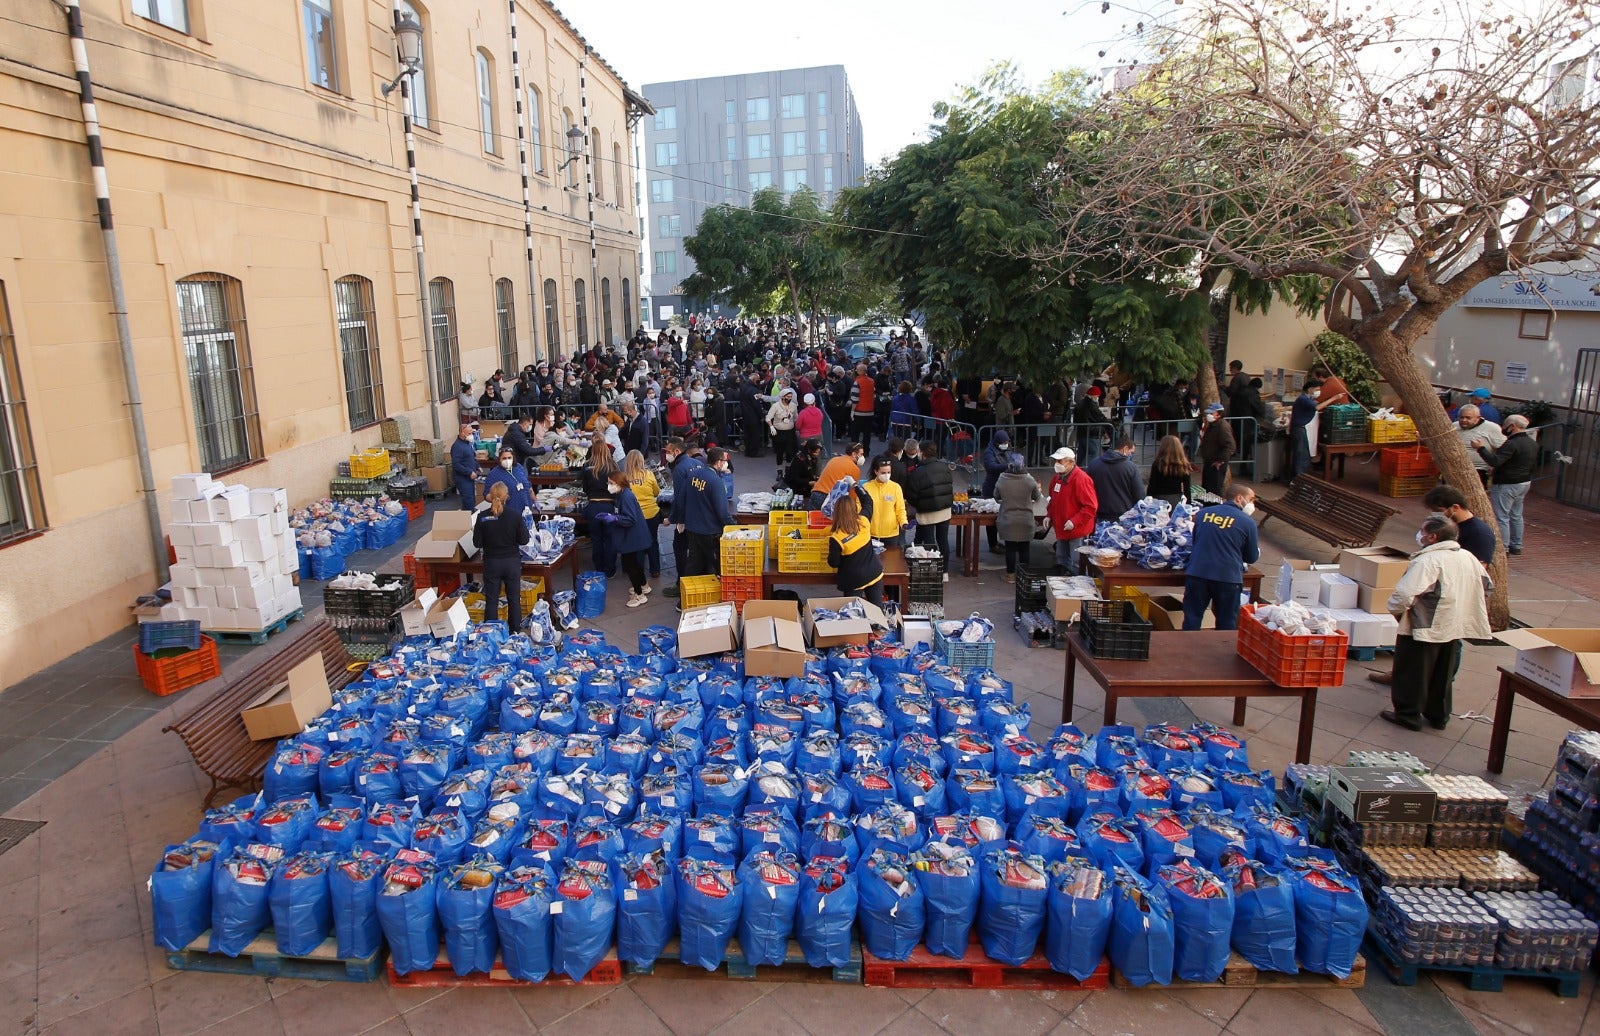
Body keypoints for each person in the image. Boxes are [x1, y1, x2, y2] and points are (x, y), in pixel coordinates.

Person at [1381, 514, 1492, 732]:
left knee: (1414, 671)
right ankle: (1438, 715)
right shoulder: (1468, 556)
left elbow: (1404, 594)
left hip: (1425, 624)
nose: (1419, 535)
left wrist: (1395, 611)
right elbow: (1486, 583)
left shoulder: (1428, 561)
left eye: (1422, 532)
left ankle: (1408, 714)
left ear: (1432, 537)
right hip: (1454, 623)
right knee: (1443, 672)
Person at [1182, 483, 1259, 630]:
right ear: (1239, 498)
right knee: (1226, 623)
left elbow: (1196, 540)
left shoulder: (1203, 514)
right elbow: (1251, 557)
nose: (1252, 504)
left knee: (1192, 620)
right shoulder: (1248, 522)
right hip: (1227, 577)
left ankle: (1186, 650)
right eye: (1251, 499)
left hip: (1198, 573)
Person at [1474, 412, 1536, 555]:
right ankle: (1516, 544)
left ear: (1512, 426)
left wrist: (1480, 448)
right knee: (1516, 514)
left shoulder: (1512, 444)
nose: (1503, 428)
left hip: (1507, 483)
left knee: (1502, 516)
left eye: (1505, 425)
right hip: (1524, 482)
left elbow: (1495, 461)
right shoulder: (1531, 443)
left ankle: (1504, 547)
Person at [473, 481, 530, 632]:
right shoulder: (515, 516)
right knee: (514, 599)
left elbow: (477, 543)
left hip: (491, 563)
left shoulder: (482, 517)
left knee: (491, 599)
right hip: (511, 562)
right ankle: (515, 631)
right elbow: (524, 540)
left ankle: (491, 632)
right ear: (507, 497)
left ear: (490, 496)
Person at [597, 467, 654, 608]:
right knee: (635, 563)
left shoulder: (626, 496)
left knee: (630, 565)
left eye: (611, 483)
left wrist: (614, 518)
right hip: (634, 536)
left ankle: (639, 594)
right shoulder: (623, 494)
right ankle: (643, 585)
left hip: (632, 537)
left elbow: (630, 518)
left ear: (619, 483)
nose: (608, 486)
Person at [672, 443, 730, 578]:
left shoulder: (693, 475)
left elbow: (681, 498)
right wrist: (734, 526)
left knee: (693, 566)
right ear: (719, 462)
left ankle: (685, 597)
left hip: (693, 529)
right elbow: (722, 513)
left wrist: (680, 519)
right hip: (710, 532)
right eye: (726, 461)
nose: (727, 464)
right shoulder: (715, 481)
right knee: (718, 566)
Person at [905, 439, 954, 578]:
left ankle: (932, 572)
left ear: (922, 453)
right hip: (945, 511)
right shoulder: (945, 467)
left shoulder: (918, 472)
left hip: (927, 512)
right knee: (943, 540)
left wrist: (918, 505)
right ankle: (944, 572)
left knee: (930, 541)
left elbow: (911, 494)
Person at [827, 489, 885, 607]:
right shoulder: (863, 522)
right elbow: (868, 501)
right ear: (854, 509)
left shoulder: (836, 537)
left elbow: (834, 563)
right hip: (874, 573)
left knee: (853, 615)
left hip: (854, 580)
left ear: (836, 512)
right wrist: (856, 486)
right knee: (877, 611)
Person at [1046, 447, 1097, 575]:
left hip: (1077, 530)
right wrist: (1049, 515)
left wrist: (1074, 522)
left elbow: (1091, 507)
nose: (1057, 464)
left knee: (1076, 562)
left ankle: (1079, 589)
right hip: (1062, 528)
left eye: (1060, 461)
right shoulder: (1057, 478)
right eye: (1056, 461)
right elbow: (1053, 499)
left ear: (1071, 462)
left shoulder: (1081, 479)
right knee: (1062, 559)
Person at [995, 453, 1042, 583]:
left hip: (1008, 520)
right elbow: (1037, 497)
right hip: (1025, 520)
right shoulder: (1029, 480)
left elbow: (996, 497)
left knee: (1009, 548)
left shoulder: (1002, 478)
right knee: (1024, 548)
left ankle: (1010, 576)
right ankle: (1024, 576)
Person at [1422, 484, 1496, 565]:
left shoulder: (1479, 533)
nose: (1435, 513)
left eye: (1438, 510)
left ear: (1455, 507)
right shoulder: (1448, 526)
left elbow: (1478, 568)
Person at [580, 442, 621, 577]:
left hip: (593, 506)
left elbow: (585, 488)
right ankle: (610, 570)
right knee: (609, 539)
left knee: (596, 539)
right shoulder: (613, 466)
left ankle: (599, 568)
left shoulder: (587, 466)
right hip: (609, 505)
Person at [622, 449, 663, 579]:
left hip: (634, 515)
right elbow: (656, 492)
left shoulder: (624, 477)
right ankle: (655, 569)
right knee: (653, 541)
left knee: (638, 543)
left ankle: (639, 571)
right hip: (652, 512)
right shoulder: (649, 474)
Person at [1086, 435, 1145, 522]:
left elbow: (1087, 490)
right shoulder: (1131, 468)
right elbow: (1139, 495)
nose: (1131, 455)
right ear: (1125, 449)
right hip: (1123, 516)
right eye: (1131, 452)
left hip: (1098, 514)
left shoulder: (1094, 464)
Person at [861, 455, 910, 546]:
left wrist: (904, 523)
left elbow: (900, 510)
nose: (886, 475)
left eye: (889, 472)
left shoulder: (895, 487)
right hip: (870, 534)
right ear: (876, 471)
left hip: (891, 535)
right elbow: (860, 509)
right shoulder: (866, 488)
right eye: (883, 473)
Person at [1454, 404, 1504, 488]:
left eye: (1468, 418)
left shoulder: (1492, 428)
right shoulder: (1454, 426)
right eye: (1461, 417)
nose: (1464, 420)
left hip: (1479, 470)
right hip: (1456, 468)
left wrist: (1495, 467)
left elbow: (1503, 449)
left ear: (1478, 418)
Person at [981, 430, 1013, 554]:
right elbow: (991, 467)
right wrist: (1008, 466)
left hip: (1005, 487)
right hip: (992, 487)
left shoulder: (1007, 450)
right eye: (1003, 442)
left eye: (1007, 442)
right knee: (991, 519)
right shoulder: (989, 452)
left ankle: (1000, 541)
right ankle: (992, 544)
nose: (1006, 444)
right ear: (997, 442)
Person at [811, 442, 867, 509]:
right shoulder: (855, 469)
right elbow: (852, 494)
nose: (862, 457)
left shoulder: (834, 460)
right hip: (830, 499)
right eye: (861, 454)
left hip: (816, 494)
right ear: (854, 454)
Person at [1198, 402, 1237, 495]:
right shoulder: (1213, 425)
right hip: (1210, 461)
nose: (1209, 415)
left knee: (1214, 489)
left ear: (1219, 415)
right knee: (1207, 488)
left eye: (1211, 413)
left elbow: (1230, 446)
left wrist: (1220, 460)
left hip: (1216, 463)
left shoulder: (1222, 426)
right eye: (1208, 413)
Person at [484, 445, 533, 519]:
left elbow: (528, 486)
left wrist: (535, 501)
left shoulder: (519, 467)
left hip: (526, 510)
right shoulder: (494, 474)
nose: (507, 460)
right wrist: (498, 499)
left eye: (509, 458)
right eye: (504, 458)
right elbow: (487, 495)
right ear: (499, 459)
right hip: (509, 513)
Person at [1288, 378, 1322, 478]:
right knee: (1301, 455)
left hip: (1303, 429)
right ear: (1310, 389)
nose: (1318, 391)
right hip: (1300, 429)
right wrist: (1334, 398)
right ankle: (1298, 478)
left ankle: (1299, 477)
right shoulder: (1304, 399)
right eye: (1317, 389)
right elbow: (1316, 408)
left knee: (1303, 455)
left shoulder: (1308, 399)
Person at [1146, 434, 1193, 506]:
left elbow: (1152, 485)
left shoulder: (1157, 464)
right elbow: (1187, 489)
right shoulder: (1184, 465)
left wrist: (1148, 499)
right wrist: (1189, 505)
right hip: (1176, 499)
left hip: (1159, 499)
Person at [450, 423, 481, 511]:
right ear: (462, 433)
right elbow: (456, 464)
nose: (471, 436)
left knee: (471, 498)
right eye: (469, 434)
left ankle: (471, 514)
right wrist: (469, 472)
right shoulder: (457, 447)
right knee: (468, 499)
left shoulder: (467, 444)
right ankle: (468, 517)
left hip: (469, 478)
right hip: (462, 478)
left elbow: (471, 457)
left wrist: (478, 466)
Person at [767, 388, 800, 467]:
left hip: (790, 432)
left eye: (790, 397)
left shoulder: (793, 406)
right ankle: (779, 470)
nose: (789, 398)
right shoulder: (775, 406)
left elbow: (796, 418)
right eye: (787, 397)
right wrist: (771, 426)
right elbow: (768, 417)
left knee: (790, 451)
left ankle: (788, 468)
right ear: (782, 397)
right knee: (779, 452)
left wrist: (797, 429)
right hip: (779, 432)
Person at [850, 364, 877, 448]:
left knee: (855, 433)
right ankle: (866, 450)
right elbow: (873, 395)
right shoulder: (871, 381)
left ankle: (855, 449)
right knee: (867, 433)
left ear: (860, 371)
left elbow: (855, 398)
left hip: (859, 411)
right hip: (870, 411)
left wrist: (852, 411)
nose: (856, 371)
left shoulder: (857, 382)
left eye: (857, 370)